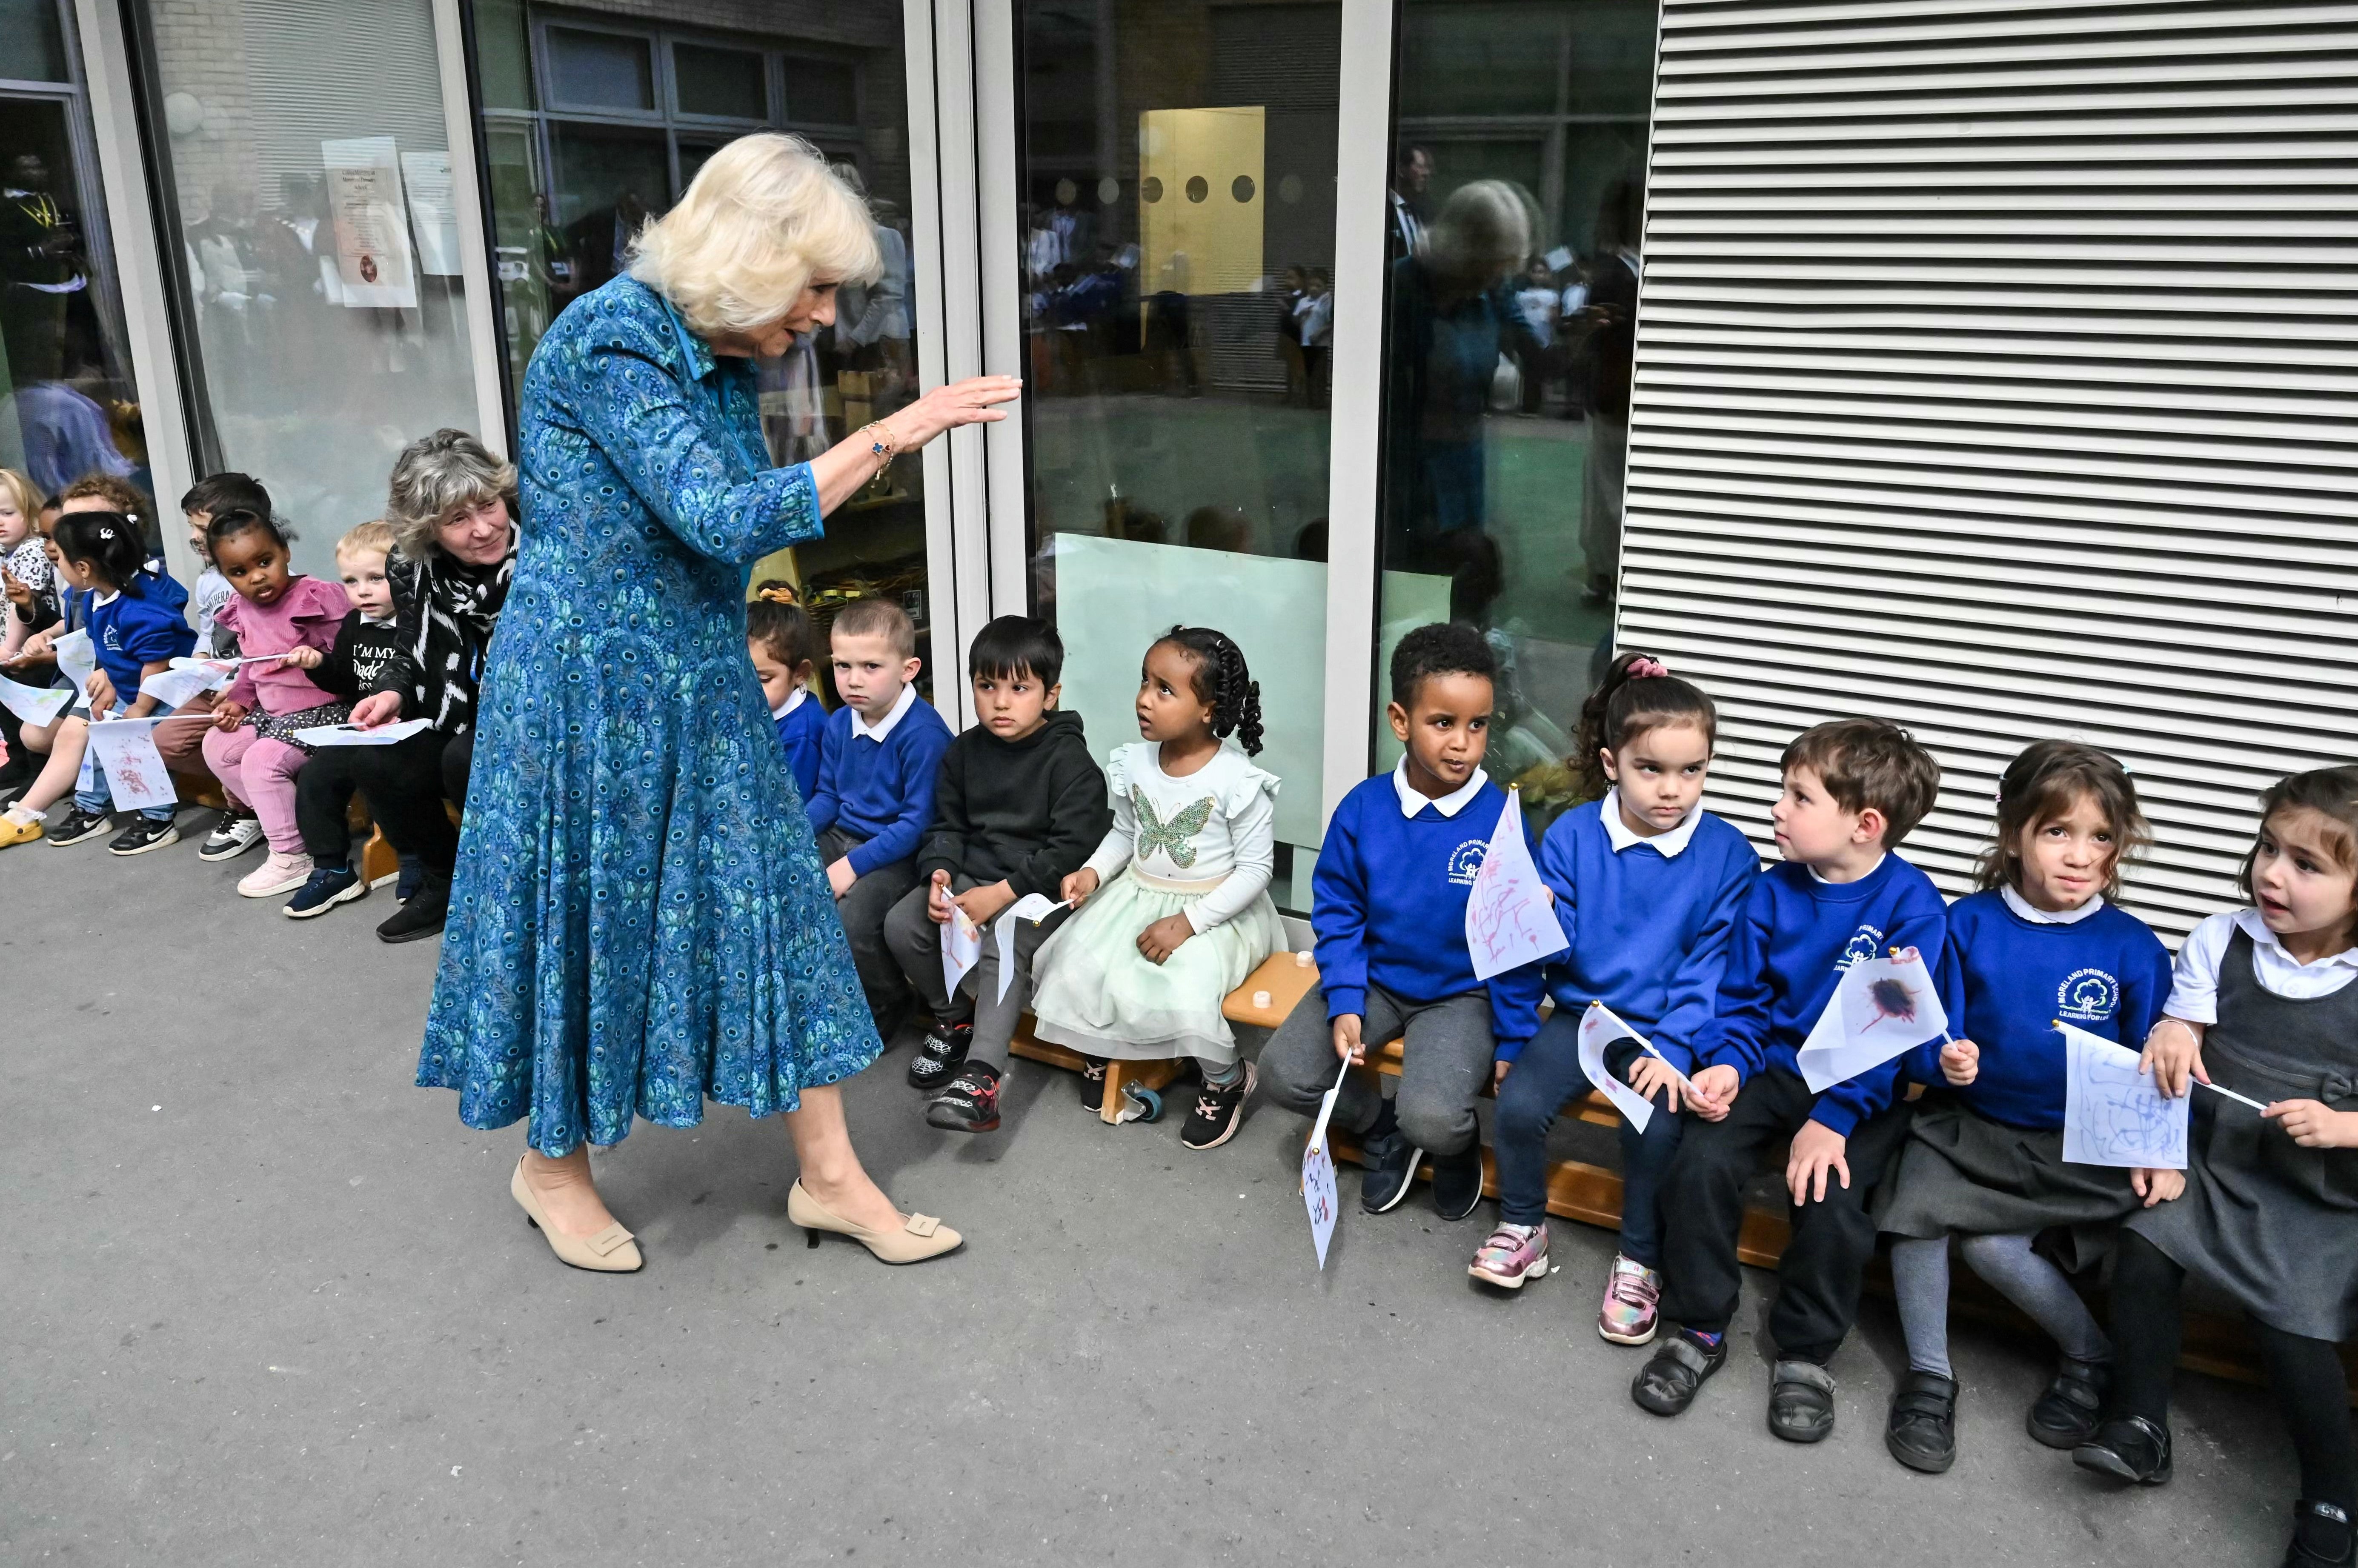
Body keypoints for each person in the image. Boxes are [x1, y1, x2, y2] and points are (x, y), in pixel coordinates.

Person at [415, 134, 1018, 1273]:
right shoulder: (609, 338)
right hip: (587, 691)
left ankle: (831, 1175)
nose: (826, 319)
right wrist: (901, 426)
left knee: (775, 910)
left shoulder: (719, 354)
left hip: (698, 673)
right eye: (818, 288)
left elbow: (748, 518)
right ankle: (550, 1166)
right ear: (748, 258)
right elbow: (725, 516)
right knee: (588, 918)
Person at [1633, 717, 1946, 1444]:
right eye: (1785, 791)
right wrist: (1726, 1066)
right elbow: (1742, 1002)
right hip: (1775, 1066)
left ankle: (1804, 1354)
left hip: (1863, 1087)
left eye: (1799, 797)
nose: (1778, 807)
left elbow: (1897, 1036)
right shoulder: (1774, 893)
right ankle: (1701, 1326)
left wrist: (1835, 1117)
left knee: (1833, 1199)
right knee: (1701, 1160)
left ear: (1865, 825)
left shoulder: (1912, 907)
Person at [2075, 766, 2358, 1568]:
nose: (2272, 873)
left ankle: (2333, 1495)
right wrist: (2172, 1033)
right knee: (2144, 1247)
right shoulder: (2223, 939)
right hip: (2219, 1160)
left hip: (2322, 1195)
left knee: (2295, 1325)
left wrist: (2344, 1127)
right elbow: (2185, 1023)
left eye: (2308, 865)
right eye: (2269, 848)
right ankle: (2138, 1420)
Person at [1872, 741, 2173, 1474]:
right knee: (1918, 1216)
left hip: (2075, 1144)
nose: (2079, 855)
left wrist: (2156, 1148)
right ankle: (1930, 1376)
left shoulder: (2133, 948)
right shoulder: (1967, 923)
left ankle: (2088, 1356)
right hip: (1969, 1129)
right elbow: (1922, 1030)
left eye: (2100, 837)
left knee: (1991, 1247)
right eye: (2057, 832)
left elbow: (2159, 1068)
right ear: (2014, 836)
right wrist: (1945, 1057)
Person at [1473, 653, 1758, 1348]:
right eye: (1651, 769)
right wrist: (1539, 923)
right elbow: (1552, 954)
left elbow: (1709, 968)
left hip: (1663, 1031)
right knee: (1515, 1109)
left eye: (1692, 771)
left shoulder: (1728, 855)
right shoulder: (1571, 835)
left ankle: (1640, 1261)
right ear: (1611, 762)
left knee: (1656, 1130)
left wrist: (1678, 1053)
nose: (1672, 789)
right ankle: (1523, 1226)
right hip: (1581, 1017)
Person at [1256, 623, 1547, 1220]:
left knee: (1435, 1118)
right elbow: (1338, 910)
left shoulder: (1503, 822)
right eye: (1444, 723)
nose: (1464, 743)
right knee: (1283, 1075)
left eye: (1479, 724)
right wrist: (1343, 1000)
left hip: (1461, 995)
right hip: (1375, 979)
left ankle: (1451, 1146)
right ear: (1400, 721)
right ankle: (1381, 1125)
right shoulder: (1364, 808)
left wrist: (1515, 1034)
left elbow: (1516, 944)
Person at [1030, 626, 1286, 1150]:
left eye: (1164, 690)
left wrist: (1187, 924)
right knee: (1080, 959)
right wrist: (1093, 874)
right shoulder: (1135, 762)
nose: (1144, 699)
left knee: (1186, 983)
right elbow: (1126, 834)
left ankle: (1226, 1077)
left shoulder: (1237, 781)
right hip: (1139, 891)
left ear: (1208, 709)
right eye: (1144, 683)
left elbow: (1256, 871)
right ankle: (1107, 1046)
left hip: (1214, 909)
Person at [884, 614, 1111, 1132]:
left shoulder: (1070, 762)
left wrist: (1002, 894)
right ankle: (954, 1017)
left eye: (1019, 688)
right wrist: (940, 873)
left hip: (1041, 890)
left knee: (1002, 941)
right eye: (987, 686)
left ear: (1050, 696)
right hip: (978, 878)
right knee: (904, 924)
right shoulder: (963, 752)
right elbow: (947, 825)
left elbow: (1070, 849)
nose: (1001, 702)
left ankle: (982, 1078)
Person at [315, 428, 517, 944]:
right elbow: (409, 646)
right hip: (453, 707)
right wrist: (392, 692)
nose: (483, 529)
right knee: (375, 759)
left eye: (488, 505)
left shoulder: (543, 550)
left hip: (536, 710)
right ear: (428, 529)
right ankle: (442, 880)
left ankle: (506, 890)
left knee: (464, 758)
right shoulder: (412, 566)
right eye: (457, 519)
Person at [804, 596, 953, 1040]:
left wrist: (850, 866)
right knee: (788, 881)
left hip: (898, 850)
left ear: (908, 669)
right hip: (843, 834)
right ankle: (824, 995)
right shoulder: (838, 723)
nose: (853, 680)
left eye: (871, 666)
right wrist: (789, 835)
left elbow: (915, 825)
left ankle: (888, 1001)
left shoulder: (923, 734)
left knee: (855, 922)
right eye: (842, 666)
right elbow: (829, 796)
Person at [195, 508, 352, 900]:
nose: (257, 577)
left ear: (285, 552)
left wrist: (318, 658)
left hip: (327, 710)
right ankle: (286, 822)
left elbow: (351, 657)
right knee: (217, 746)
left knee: (261, 761)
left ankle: (293, 853)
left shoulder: (315, 597)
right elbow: (252, 668)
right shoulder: (243, 609)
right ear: (225, 575)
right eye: (239, 572)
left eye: (265, 562)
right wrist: (240, 702)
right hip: (274, 714)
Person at [31, 509, 195, 853]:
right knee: (98, 741)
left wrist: (141, 708)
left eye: (60, 556)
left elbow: (157, 663)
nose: (56, 562)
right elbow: (107, 647)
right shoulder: (94, 598)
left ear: (83, 569)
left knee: (135, 746)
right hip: (129, 687)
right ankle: (92, 809)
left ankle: (157, 820)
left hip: (165, 691)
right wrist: (107, 681)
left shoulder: (140, 608)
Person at [283, 520, 408, 918]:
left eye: (376, 578)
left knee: (381, 773)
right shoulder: (355, 624)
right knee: (316, 776)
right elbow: (343, 679)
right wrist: (319, 664)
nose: (363, 591)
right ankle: (332, 868)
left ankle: (413, 856)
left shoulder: (416, 622)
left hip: (408, 729)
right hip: (361, 727)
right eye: (351, 582)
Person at [157, 472, 274, 832]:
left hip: (253, 691)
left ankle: (253, 808)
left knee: (220, 741)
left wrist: (239, 688)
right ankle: (246, 791)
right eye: (192, 527)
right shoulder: (208, 581)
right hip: (212, 684)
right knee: (166, 741)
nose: (194, 537)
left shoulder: (269, 578)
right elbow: (208, 632)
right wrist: (196, 661)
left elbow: (272, 646)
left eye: (201, 527)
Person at [747, 580, 823, 800]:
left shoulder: (802, 733)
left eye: (763, 679)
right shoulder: (766, 708)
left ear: (800, 673)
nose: (749, 691)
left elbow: (792, 806)